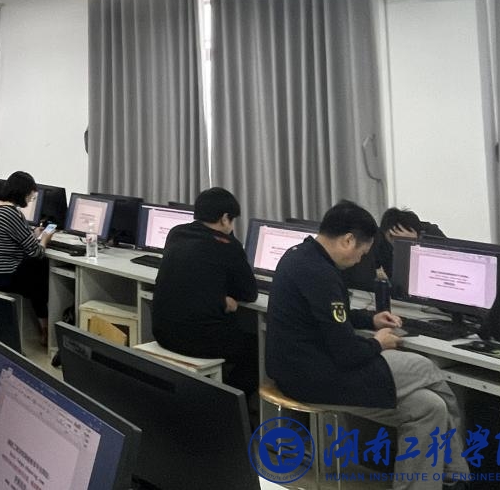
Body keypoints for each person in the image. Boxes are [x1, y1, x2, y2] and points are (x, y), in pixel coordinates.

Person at [266, 201, 462, 482]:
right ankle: (457, 474)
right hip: (317, 376)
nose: (360, 260)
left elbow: (330, 316)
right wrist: (378, 343)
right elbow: (348, 353)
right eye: (362, 252)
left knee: (430, 407)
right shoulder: (321, 274)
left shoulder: (300, 255)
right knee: (426, 368)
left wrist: (371, 320)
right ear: (348, 240)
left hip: (298, 369)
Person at [150, 187, 258, 397]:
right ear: (225, 218)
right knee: (256, 350)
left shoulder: (176, 233)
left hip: (162, 332)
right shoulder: (228, 246)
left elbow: (193, 280)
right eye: (232, 220)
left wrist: (216, 296)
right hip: (197, 340)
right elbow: (249, 293)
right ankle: (229, 403)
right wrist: (223, 299)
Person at [0, 170, 51, 340]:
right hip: (3, 277)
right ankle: (45, 328)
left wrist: (32, 235)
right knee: (40, 267)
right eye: (31, 196)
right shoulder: (11, 213)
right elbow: (36, 252)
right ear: (23, 193)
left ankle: (42, 327)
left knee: (33, 270)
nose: (30, 200)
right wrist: (45, 238)